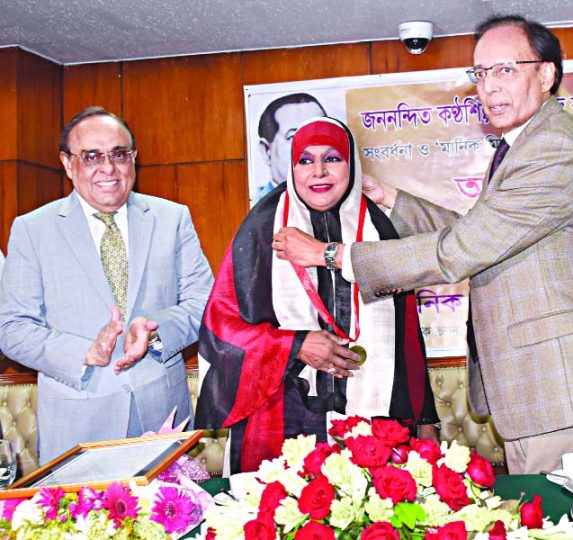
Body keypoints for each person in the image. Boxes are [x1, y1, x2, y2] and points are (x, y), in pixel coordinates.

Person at [271, 15, 573, 475]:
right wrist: (391, 199)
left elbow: (460, 250)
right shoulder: (522, 146)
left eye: (506, 69)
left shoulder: (551, 148)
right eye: (480, 74)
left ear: (546, 74)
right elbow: (480, 234)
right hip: (543, 394)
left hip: (562, 391)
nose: (489, 87)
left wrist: (331, 255)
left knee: (572, 523)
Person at [195, 117, 438, 473]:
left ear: (351, 164)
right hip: (281, 410)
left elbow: (407, 337)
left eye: (332, 158)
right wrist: (294, 345)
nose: (319, 171)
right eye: (305, 160)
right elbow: (221, 328)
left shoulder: (380, 227)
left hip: (373, 410)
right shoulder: (261, 228)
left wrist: (424, 417)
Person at [0, 106, 214, 464]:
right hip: (78, 425)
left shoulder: (172, 217)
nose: (108, 168)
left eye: (119, 154)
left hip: (162, 417)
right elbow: (12, 329)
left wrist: (156, 333)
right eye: (91, 156)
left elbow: (205, 301)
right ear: (68, 164)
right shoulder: (32, 229)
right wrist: (83, 352)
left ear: (134, 158)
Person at [253, 93, 327, 203]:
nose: (310, 148)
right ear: (266, 151)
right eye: (293, 137)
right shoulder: (257, 209)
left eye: (318, 136)